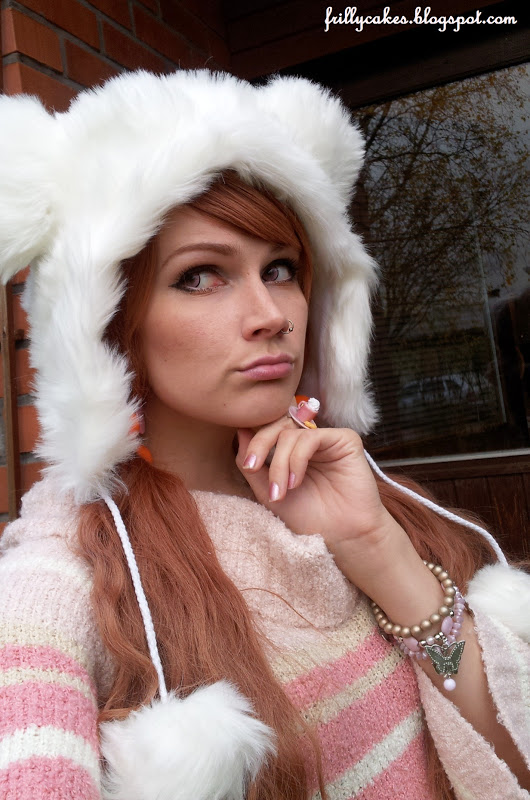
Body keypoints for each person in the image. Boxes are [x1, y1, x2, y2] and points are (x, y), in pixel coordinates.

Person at [0, 70, 528, 800]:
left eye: (279, 269)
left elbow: (513, 764)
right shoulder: (64, 574)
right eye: (200, 277)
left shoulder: (355, 494)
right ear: (110, 322)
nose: (271, 314)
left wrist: (377, 550)